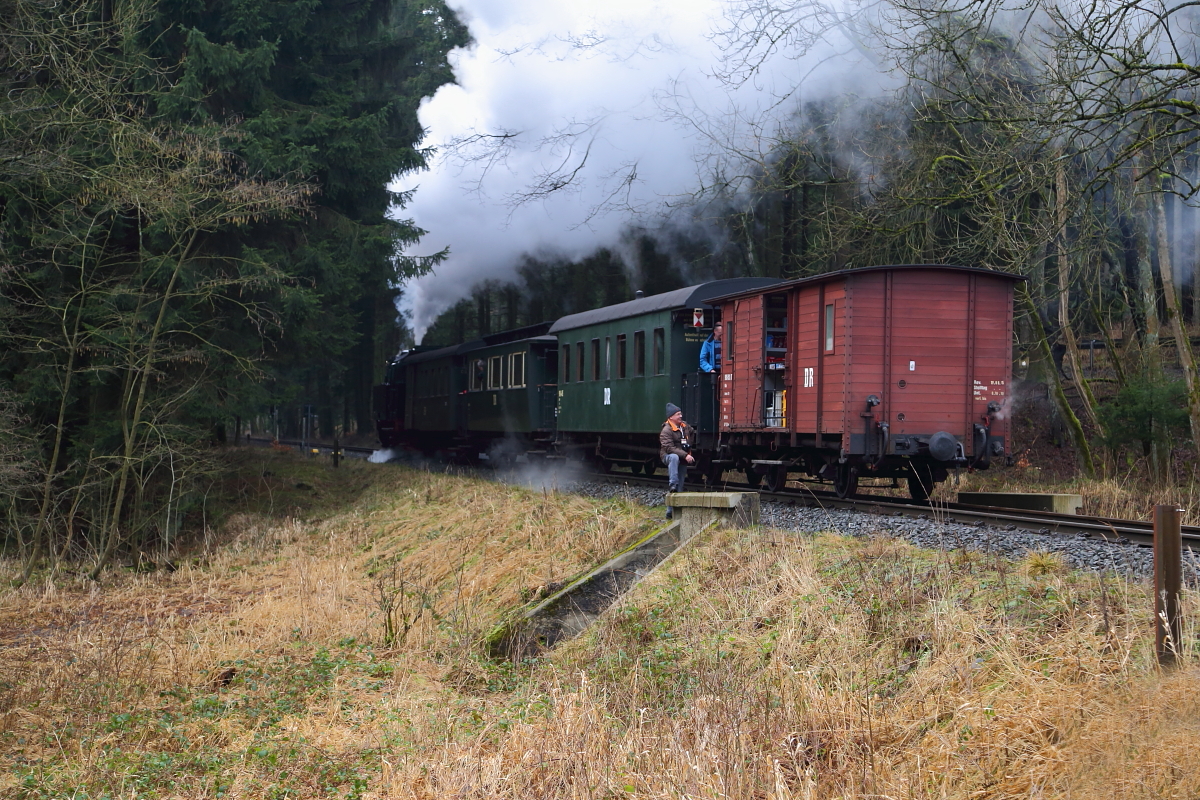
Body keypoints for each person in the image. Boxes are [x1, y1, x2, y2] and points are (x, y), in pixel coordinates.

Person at [659, 402, 694, 519]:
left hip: (682, 458)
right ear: (671, 417)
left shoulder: (685, 426)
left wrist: (689, 447)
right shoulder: (666, 430)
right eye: (678, 414)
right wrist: (685, 455)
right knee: (674, 458)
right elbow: (668, 448)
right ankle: (672, 483)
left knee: (680, 485)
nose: (680, 416)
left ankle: (671, 512)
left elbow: (692, 433)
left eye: (681, 414)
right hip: (668, 456)